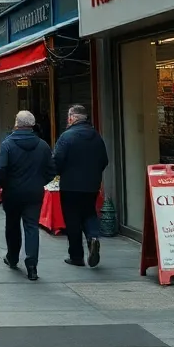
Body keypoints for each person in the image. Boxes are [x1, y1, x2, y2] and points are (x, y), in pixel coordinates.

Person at [0, 111, 54, 281]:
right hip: (34, 192)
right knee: (31, 227)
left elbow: (0, 169)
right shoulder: (42, 145)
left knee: (12, 225)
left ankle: (13, 257)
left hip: (12, 192)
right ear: (32, 125)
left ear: (16, 123)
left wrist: (4, 185)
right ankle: (32, 265)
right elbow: (52, 169)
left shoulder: (7, 144)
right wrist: (40, 181)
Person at [52, 105, 109, 268]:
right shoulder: (96, 136)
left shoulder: (66, 136)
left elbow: (57, 161)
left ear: (72, 118)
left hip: (70, 185)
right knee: (89, 212)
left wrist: (58, 173)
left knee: (72, 220)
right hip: (91, 185)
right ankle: (93, 237)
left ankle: (76, 256)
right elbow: (104, 160)